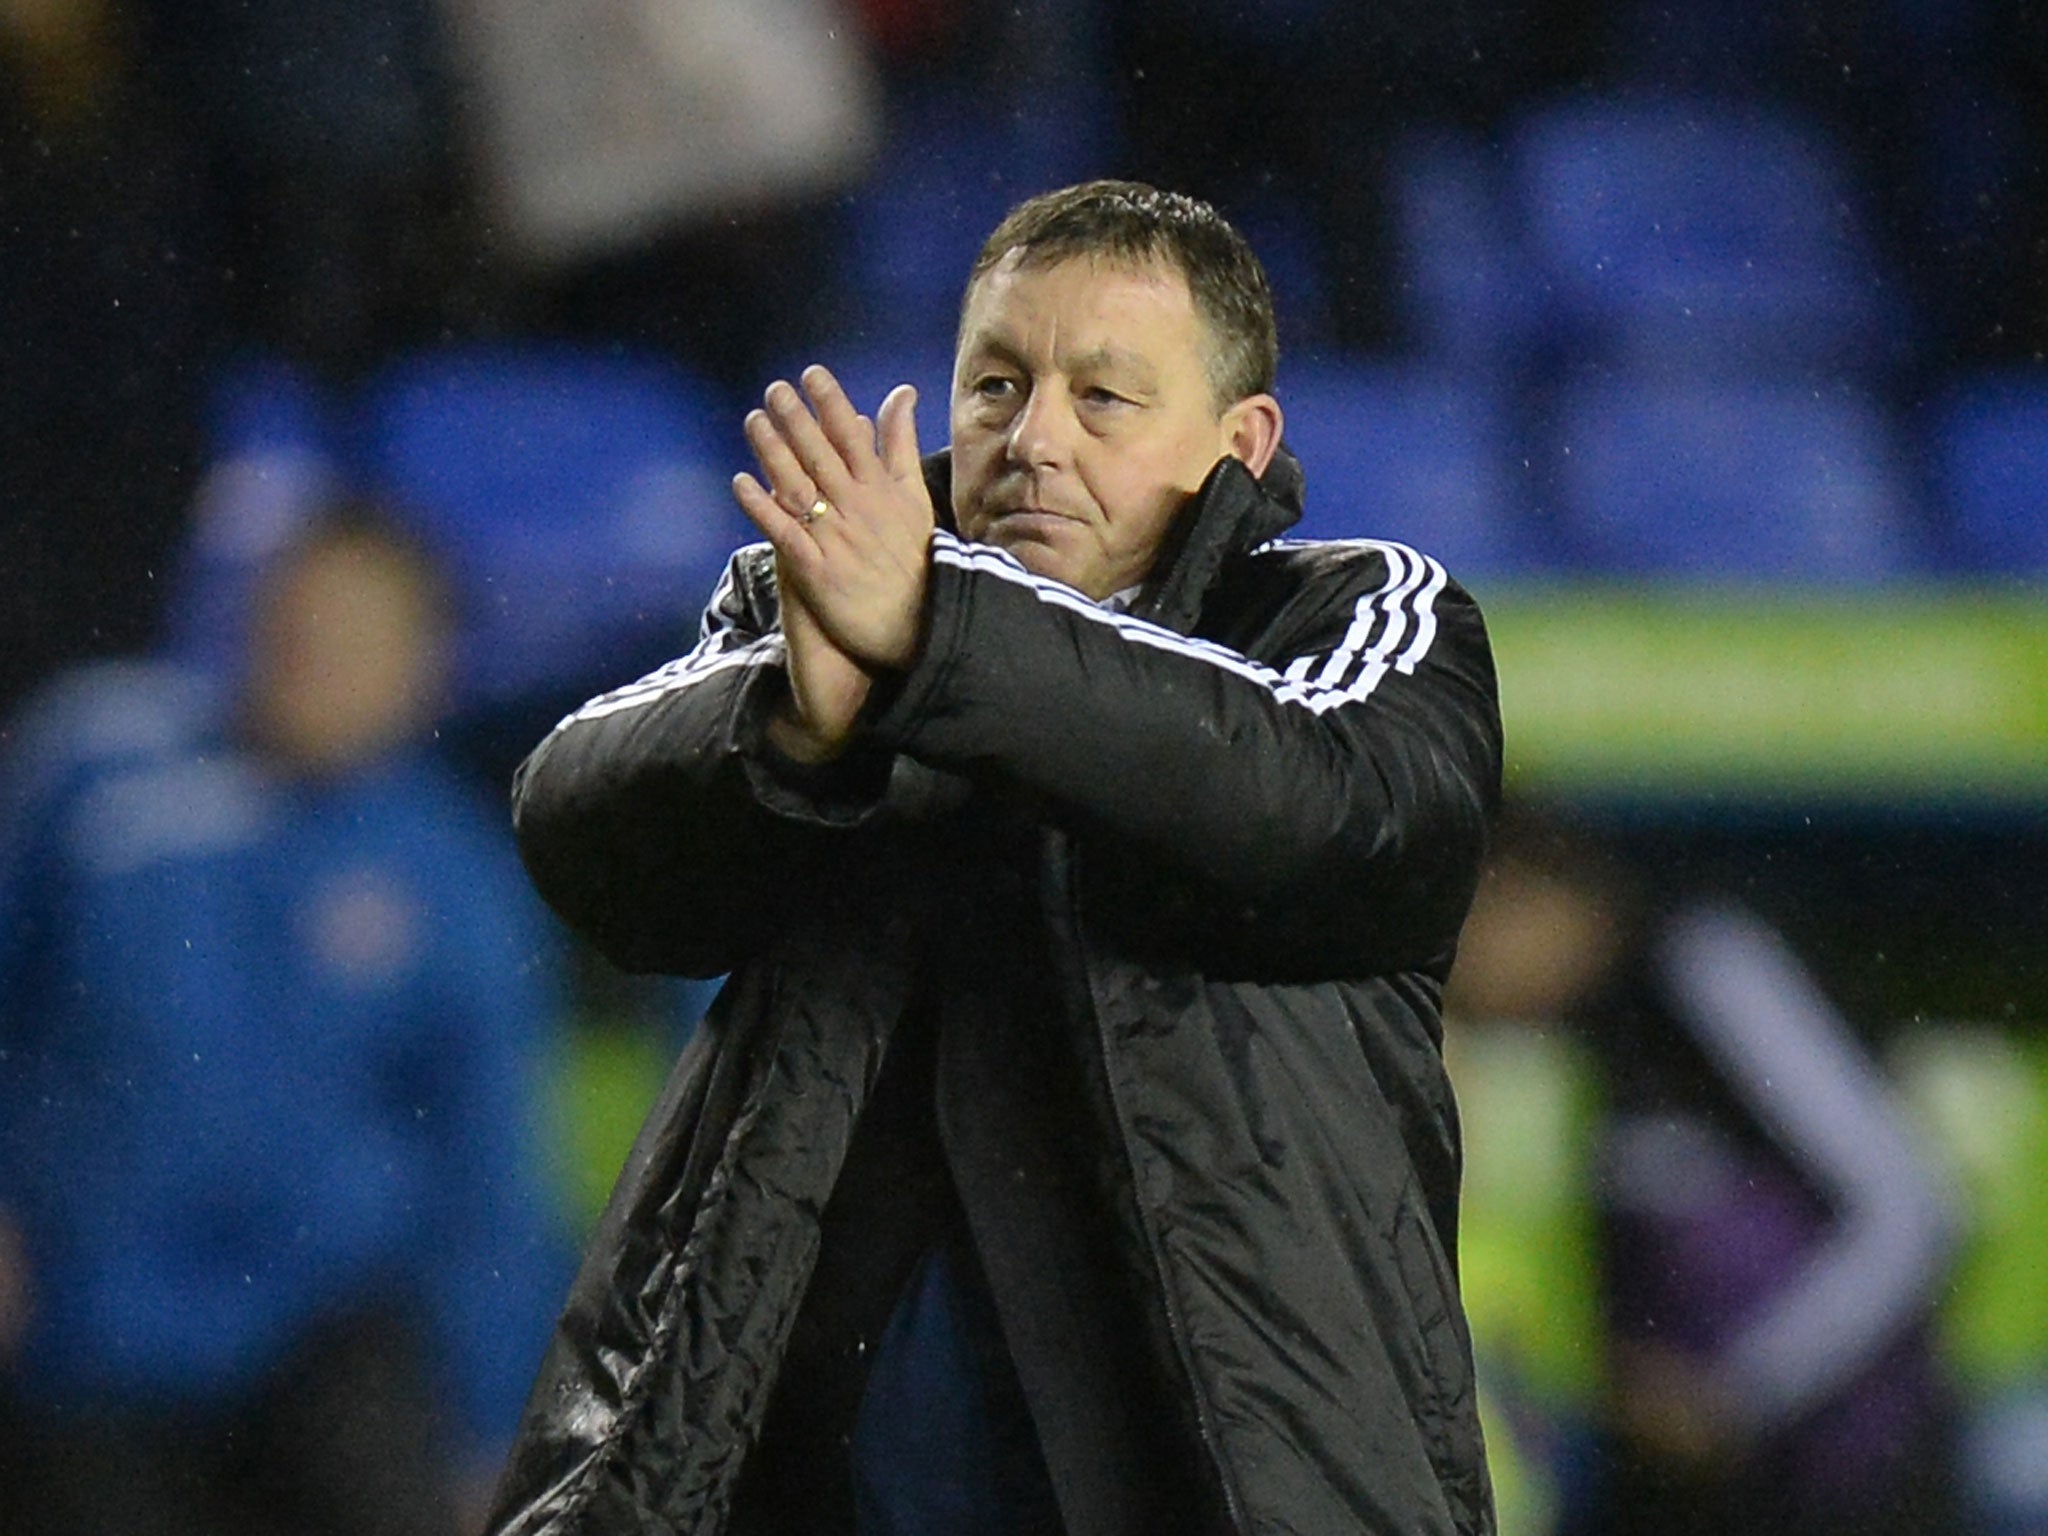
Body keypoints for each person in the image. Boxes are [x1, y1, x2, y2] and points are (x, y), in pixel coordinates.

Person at [487, 180, 1504, 1536]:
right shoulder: (818, 609)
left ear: (1242, 441)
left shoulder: (1356, 609)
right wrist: (802, 724)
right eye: (995, 386)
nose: (1031, 441)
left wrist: (941, 635)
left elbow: (1333, 815)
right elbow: (577, 825)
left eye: (1104, 398)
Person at [0, 508, 571, 1536]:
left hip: (324, 1340)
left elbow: (487, 1182)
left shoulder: (456, 875)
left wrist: (492, 1428)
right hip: (84, 1325)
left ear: (425, 671)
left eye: (360, 636)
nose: (317, 657)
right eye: (302, 619)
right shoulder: (95, 761)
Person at [1447, 806, 1960, 1536]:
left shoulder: (1703, 963)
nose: (1461, 979)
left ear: (1524, 892)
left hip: (1851, 1472)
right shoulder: (1586, 1036)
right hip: (1722, 1486)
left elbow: (1906, 1211)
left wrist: (1741, 1390)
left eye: (1465, 939)